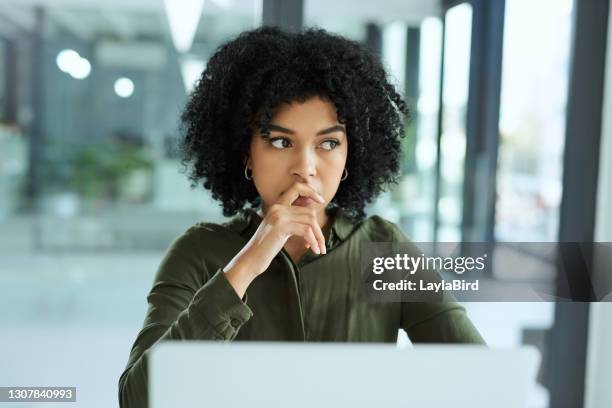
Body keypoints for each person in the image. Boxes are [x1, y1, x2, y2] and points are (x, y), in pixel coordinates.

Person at [118, 26, 485, 408]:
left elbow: (479, 380)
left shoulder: (384, 250)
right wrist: (245, 267)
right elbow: (138, 399)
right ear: (246, 152)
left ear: (350, 157)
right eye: (280, 141)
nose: (305, 168)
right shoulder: (198, 251)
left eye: (328, 143)